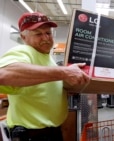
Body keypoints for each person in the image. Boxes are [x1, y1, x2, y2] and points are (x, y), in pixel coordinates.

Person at [0, 12, 90, 141]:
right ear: (23, 37)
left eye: (48, 33)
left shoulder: (46, 57)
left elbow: (41, 86)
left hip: (50, 132)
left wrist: (63, 90)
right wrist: (64, 72)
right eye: (38, 34)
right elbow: (4, 74)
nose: (46, 38)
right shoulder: (23, 51)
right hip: (32, 135)